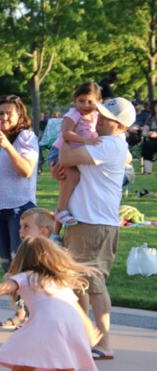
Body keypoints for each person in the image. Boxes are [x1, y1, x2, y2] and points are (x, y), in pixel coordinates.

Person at [0, 237, 100, 371]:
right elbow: (78, 311)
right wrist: (90, 334)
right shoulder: (59, 281)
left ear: (21, 258)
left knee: (23, 361)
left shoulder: (26, 277)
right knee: (65, 363)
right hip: (74, 325)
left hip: (47, 325)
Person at [58, 97, 136, 361]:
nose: (98, 118)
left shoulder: (110, 144)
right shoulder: (102, 142)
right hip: (85, 221)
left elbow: (66, 156)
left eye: (106, 118)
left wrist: (65, 132)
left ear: (121, 127)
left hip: (94, 224)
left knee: (93, 284)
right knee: (79, 283)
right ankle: (85, 338)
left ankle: (102, 343)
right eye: (100, 114)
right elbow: (68, 166)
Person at [0, 95, 38, 329]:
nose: (3, 117)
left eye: (9, 113)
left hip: (19, 209)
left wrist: (7, 145)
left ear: (20, 117)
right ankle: (19, 314)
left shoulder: (25, 137)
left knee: (22, 266)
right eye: (0, 113)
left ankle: (35, 315)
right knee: (9, 268)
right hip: (0, 210)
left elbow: (26, 170)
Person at [47, 82, 102, 240]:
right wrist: (86, 140)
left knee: (69, 187)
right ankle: (60, 214)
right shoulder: (74, 114)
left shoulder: (96, 117)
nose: (85, 105)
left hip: (75, 155)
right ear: (74, 100)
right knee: (71, 179)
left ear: (99, 101)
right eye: (81, 101)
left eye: (90, 101)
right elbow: (66, 134)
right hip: (60, 153)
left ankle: (56, 233)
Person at [141, 100, 157, 175]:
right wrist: (148, 134)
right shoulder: (150, 118)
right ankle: (147, 171)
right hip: (152, 140)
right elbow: (144, 132)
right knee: (147, 146)